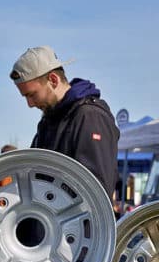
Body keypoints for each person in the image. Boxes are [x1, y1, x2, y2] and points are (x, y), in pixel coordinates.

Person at [9, 45, 119, 198]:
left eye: (32, 95)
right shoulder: (47, 121)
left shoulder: (90, 117)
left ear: (53, 80)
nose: (30, 104)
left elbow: (96, 190)